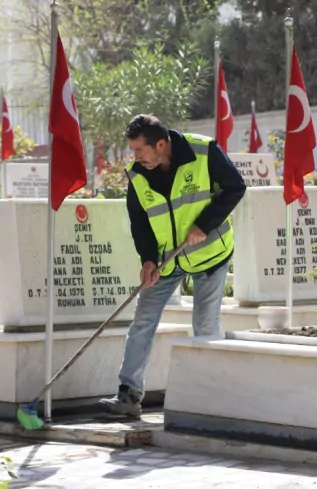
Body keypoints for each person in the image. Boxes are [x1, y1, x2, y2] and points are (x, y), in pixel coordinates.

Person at [99, 114, 247, 417]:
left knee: (205, 326)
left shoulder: (203, 151)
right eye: (133, 151)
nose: (136, 157)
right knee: (142, 321)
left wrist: (204, 224)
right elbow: (139, 222)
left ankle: (206, 400)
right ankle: (128, 395)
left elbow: (235, 187)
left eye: (140, 150)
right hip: (167, 260)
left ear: (161, 144)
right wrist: (148, 260)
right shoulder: (137, 175)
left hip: (209, 253)